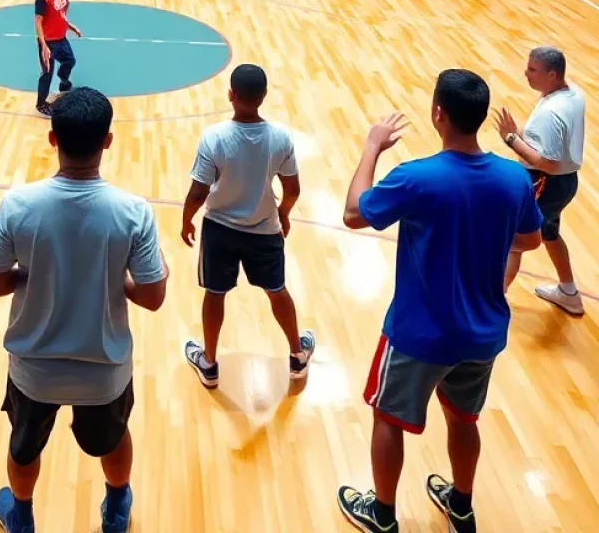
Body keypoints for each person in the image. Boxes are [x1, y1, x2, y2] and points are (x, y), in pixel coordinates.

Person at [337, 70, 543, 533]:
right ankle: (461, 507)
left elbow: (352, 213)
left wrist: (372, 147)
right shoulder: (514, 178)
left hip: (420, 335)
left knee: (387, 417)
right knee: (464, 419)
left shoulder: (417, 177)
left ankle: (383, 516)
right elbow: (530, 239)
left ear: (438, 114)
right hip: (483, 334)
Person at [0, 88, 168, 533]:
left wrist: (32, 275)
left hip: (34, 368)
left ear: (53, 139)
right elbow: (152, 296)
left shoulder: (18, 205)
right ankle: (116, 508)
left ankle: (21, 516)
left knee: (23, 448)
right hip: (104, 369)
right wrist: (116, 279)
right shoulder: (133, 212)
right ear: (108, 141)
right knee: (114, 439)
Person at [180, 65, 315, 389]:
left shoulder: (214, 137)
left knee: (215, 293)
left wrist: (186, 220)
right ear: (264, 96)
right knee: (277, 289)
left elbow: (198, 192)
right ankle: (297, 355)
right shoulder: (280, 137)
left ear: (231, 94)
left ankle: (209, 364)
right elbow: (293, 189)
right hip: (263, 229)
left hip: (219, 229)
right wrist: (283, 214)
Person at [495, 46, 587, 316]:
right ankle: (568, 292)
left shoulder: (551, 113)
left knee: (512, 241)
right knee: (549, 234)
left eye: (532, 69)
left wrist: (511, 139)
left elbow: (547, 163)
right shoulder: (573, 93)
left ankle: (492, 303)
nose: (525, 73)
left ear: (552, 74)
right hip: (564, 183)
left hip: (544, 184)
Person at [34, 0, 82, 118]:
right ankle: (41, 104)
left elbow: (61, 13)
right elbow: (38, 21)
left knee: (70, 61)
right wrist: (43, 45)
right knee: (47, 72)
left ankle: (64, 84)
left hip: (61, 37)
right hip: (48, 41)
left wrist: (70, 26)